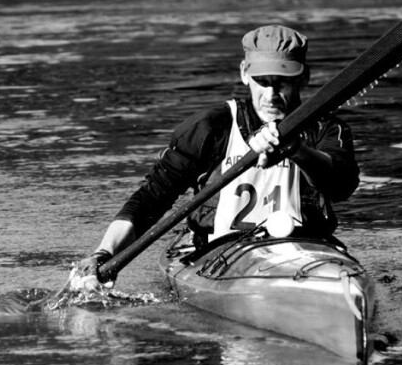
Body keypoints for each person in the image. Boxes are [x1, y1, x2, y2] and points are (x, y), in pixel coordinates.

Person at [76, 25, 360, 289]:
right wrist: (105, 252)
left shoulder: (324, 128)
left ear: (304, 77)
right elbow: (152, 198)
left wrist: (297, 150)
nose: (271, 94)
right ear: (244, 73)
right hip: (219, 256)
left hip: (306, 252)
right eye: (262, 81)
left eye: (282, 82)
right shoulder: (210, 128)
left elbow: (342, 185)